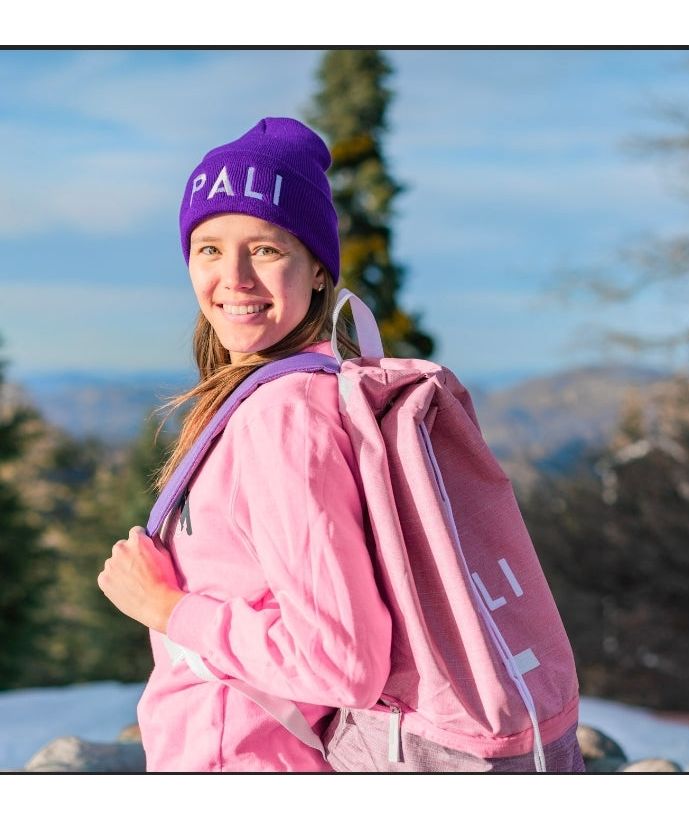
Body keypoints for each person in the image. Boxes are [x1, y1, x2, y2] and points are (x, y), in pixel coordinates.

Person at [97, 117, 393, 772]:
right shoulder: (273, 397)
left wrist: (169, 609)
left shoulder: (283, 417)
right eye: (209, 248)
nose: (233, 276)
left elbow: (341, 659)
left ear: (318, 269)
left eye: (264, 249)